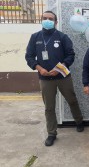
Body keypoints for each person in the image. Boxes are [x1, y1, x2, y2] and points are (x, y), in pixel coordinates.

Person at [25, 10, 84, 147]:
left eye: (50, 19)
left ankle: (79, 121)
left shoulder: (63, 37)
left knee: (72, 100)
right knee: (49, 107)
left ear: (55, 22)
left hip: (62, 76)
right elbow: (29, 57)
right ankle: (52, 133)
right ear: (41, 20)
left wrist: (58, 69)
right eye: (45, 18)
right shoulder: (35, 37)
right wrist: (40, 69)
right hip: (45, 78)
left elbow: (70, 55)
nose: (47, 20)